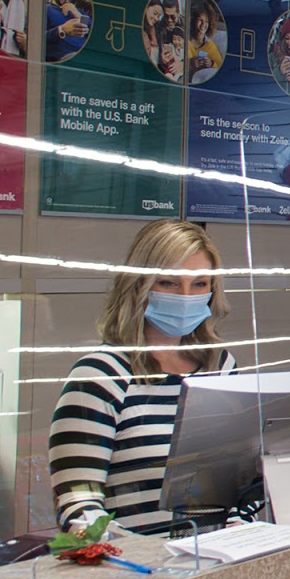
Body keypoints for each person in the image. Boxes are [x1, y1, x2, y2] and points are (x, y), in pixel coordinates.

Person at [48, 220, 236, 535]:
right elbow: (77, 504)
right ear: (139, 286)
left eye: (199, 284)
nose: (186, 296)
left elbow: (237, 482)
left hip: (218, 556)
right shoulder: (100, 375)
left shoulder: (221, 368)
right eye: (169, 283)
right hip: (136, 560)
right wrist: (135, 552)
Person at [187, 1, 223, 79]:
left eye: (206, 21)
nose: (203, 24)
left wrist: (211, 64)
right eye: (200, 20)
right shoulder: (185, 41)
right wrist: (190, 64)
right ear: (193, 21)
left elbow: (221, 67)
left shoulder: (210, 45)